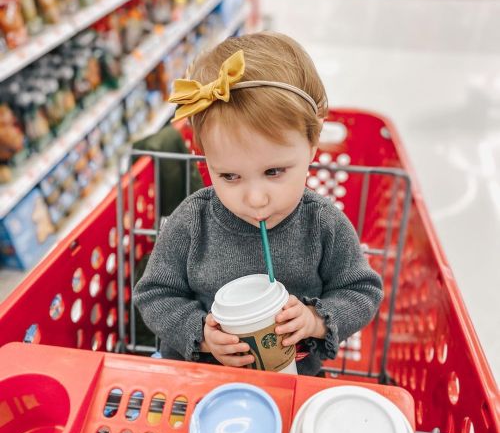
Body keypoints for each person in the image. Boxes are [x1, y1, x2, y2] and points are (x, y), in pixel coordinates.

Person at [134, 31, 383, 376]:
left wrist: (315, 321)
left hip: (294, 381)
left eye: (274, 171)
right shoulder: (192, 222)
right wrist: (201, 334)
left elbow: (360, 290)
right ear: (206, 160)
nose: (255, 198)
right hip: (200, 378)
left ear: (312, 146)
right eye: (230, 177)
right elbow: (155, 294)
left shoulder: (323, 224)